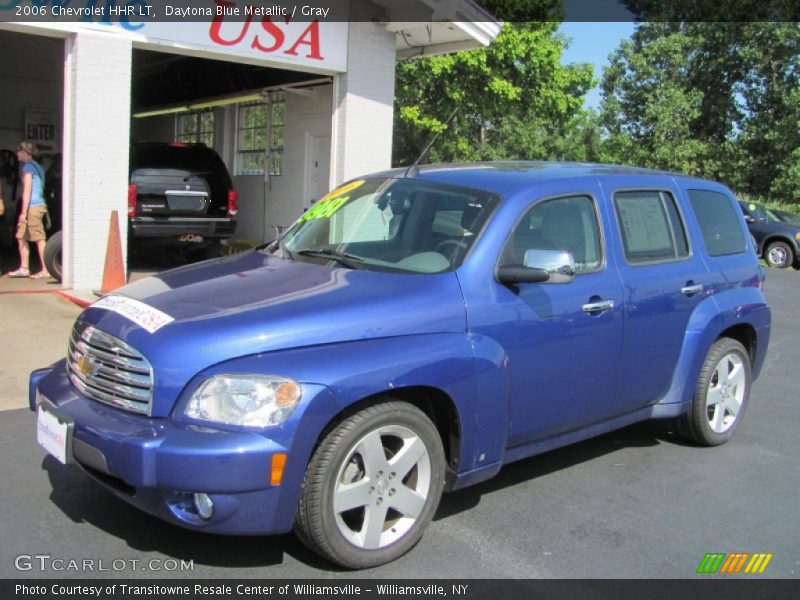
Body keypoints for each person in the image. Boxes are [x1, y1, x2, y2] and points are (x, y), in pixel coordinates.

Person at [8, 141, 49, 279]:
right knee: (21, 236)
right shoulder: (38, 166)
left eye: (18, 151)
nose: (16, 153)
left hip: (33, 207)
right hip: (38, 205)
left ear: (25, 152)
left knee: (39, 238)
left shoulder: (28, 168)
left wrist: (23, 212)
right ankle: (24, 268)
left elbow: (27, 191)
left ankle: (46, 270)